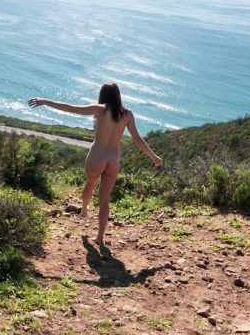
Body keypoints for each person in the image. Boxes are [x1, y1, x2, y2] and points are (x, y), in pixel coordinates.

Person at [29, 83, 163, 247]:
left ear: (103, 95)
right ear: (118, 95)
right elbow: (138, 140)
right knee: (104, 200)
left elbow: (71, 108)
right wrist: (154, 157)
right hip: (113, 160)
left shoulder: (100, 109)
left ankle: (84, 210)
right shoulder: (127, 114)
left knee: (90, 184)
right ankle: (100, 237)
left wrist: (45, 101)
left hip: (97, 157)